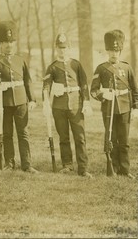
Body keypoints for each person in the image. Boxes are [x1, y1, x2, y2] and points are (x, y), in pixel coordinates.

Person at [0, 20, 38, 173]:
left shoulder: (20, 59)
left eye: (11, 42)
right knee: (7, 134)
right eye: (5, 42)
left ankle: (27, 165)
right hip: (5, 102)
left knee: (23, 133)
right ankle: (10, 163)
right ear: (0, 44)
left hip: (21, 100)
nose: (9, 45)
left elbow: (28, 80)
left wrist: (32, 99)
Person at [42, 31, 92, 177]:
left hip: (76, 106)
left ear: (69, 47)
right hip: (59, 107)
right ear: (56, 48)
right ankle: (67, 165)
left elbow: (83, 84)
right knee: (63, 137)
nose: (62, 51)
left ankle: (83, 167)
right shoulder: (52, 67)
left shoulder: (76, 64)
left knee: (80, 137)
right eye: (59, 48)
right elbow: (46, 86)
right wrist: (46, 103)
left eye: (64, 48)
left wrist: (86, 102)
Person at [90, 29, 138, 179]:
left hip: (124, 108)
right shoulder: (101, 68)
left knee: (124, 140)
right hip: (108, 109)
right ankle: (113, 168)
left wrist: (135, 107)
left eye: (116, 50)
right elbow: (93, 90)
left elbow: (135, 90)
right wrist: (103, 94)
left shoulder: (127, 68)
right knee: (112, 138)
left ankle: (125, 169)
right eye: (110, 50)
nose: (113, 53)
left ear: (120, 51)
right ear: (106, 50)